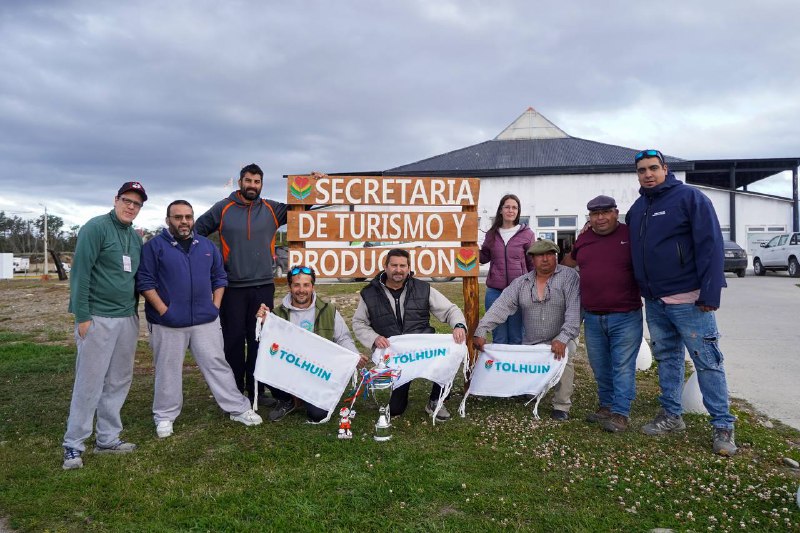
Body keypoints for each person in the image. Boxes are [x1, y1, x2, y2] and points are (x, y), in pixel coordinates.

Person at [626, 149, 737, 456]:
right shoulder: (638, 209)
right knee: (669, 359)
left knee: (707, 361)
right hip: (656, 301)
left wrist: (711, 292)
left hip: (690, 300)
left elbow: (710, 245)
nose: (647, 174)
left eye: (653, 168)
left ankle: (723, 425)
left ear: (665, 169)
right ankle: (671, 415)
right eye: (642, 170)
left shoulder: (690, 199)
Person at [136, 200, 263, 438]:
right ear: (168, 220)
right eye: (178, 217)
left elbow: (219, 278)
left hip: (205, 320)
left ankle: (237, 408)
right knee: (168, 369)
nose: (184, 221)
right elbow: (145, 282)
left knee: (217, 364)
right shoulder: (154, 247)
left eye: (188, 217)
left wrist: (214, 306)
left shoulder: (205, 245)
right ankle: (165, 416)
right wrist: (164, 311)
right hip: (168, 323)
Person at [62, 181, 147, 470]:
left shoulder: (135, 238)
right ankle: (74, 445)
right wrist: (82, 316)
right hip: (97, 317)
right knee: (90, 381)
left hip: (127, 318)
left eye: (136, 203)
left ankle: (108, 438)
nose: (130, 207)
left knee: (119, 380)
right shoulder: (95, 228)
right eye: (126, 200)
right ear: (116, 199)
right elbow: (81, 273)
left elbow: (135, 278)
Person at [194, 163, 288, 406]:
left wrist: (315, 182)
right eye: (248, 181)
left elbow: (304, 207)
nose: (252, 186)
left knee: (259, 339)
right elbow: (195, 233)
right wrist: (210, 263)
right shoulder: (223, 208)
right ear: (240, 183)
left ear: (261, 185)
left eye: (257, 182)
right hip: (232, 287)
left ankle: (257, 391)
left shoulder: (272, 209)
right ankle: (234, 394)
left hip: (263, 286)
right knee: (234, 341)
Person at [352, 249, 467, 421]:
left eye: (402, 266)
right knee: (396, 409)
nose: (398, 270)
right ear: (385, 266)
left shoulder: (423, 288)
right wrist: (374, 338)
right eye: (394, 265)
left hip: (422, 349)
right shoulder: (369, 293)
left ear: (408, 268)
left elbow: (451, 310)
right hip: (396, 353)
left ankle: (436, 400)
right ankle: (396, 396)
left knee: (451, 349)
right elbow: (358, 323)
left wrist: (458, 325)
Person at [473, 239, 580, 421]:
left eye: (549, 254)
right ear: (532, 259)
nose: (545, 259)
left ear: (556, 256)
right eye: (540, 255)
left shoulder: (569, 277)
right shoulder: (521, 283)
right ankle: (531, 390)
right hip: (532, 342)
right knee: (530, 387)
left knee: (565, 358)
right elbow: (501, 306)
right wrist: (482, 330)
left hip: (562, 337)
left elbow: (574, 311)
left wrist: (563, 338)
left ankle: (561, 405)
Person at [561, 195, 642, 432]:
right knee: (600, 365)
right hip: (594, 316)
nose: (601, 218)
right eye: (595, 214)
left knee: (622, 365)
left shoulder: (630, 235)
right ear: (590, 218)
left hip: (625, 314)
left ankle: (620, 413)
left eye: (605, 213)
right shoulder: (584, 238)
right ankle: (606, 405)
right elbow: (568, 263)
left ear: (616, 213)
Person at [255, 265, 367, 423]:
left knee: (317, 415)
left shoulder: (328, 310)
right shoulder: (277, 315)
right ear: (290, 287)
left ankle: (302, 397)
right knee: (265, 360)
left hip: (316, 372)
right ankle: (287, 399)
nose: (301, 290)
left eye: (306, 285)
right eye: (296, 285)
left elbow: (343, 337)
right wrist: (263, 323)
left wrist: (354, 355)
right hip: (291, 368)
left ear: (312, 286)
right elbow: (268, 345)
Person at [479, 194, 535, 344]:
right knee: (499, 337)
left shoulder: (527, 234)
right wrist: (468, 247)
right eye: (507, 207)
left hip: (519, 291)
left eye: (514, 207)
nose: (511, 210)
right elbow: (483, 257)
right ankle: (500, 367)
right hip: (495, 292)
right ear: (501, 210)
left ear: (518, 211)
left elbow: (532, 264)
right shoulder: (492, 234)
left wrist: (533, 289)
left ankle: (516, 366)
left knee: (517, 336)